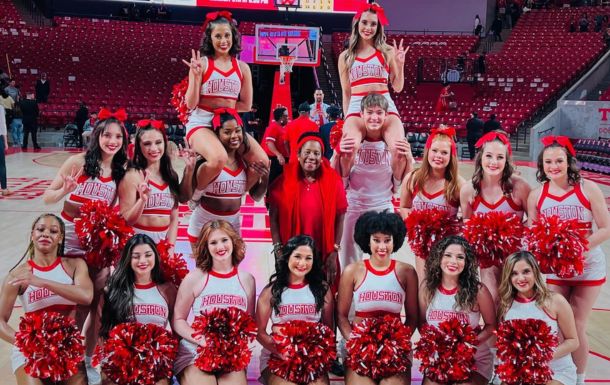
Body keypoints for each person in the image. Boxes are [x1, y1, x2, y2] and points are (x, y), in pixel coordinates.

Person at [42, 109, 128, 384]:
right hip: (68, 241)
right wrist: (64, 190)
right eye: (107, 135)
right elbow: (47, 198)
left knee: (97, 304)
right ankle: (62, 356)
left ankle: (88, 359)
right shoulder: (77, 162)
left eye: (118, 136)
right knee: (72, 304)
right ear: (97, 136)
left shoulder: (119, 172)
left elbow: (116, 214)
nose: (112, 141)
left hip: (96, 246)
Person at [527, 137, 610, 385]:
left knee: (577, 321)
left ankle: (579, 378)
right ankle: (560, 373)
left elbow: (606, 228)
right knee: (558, 322)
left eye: (559, 161)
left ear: (569, 162)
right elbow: (533, 234)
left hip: (588, 266)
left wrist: (577, 247)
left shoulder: (588, 189)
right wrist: (544, 253)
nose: (554, 166)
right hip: (556, 269)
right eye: (548, 161)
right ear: (541, 165)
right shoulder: (536, 196)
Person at [0, 213, 93, 385]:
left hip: (67, 347)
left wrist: (41, 281)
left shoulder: (75, 265)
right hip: (31, 351)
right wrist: (27, 342)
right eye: (40, 229)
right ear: (32, 235)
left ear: (60, 238)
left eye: (53, 231)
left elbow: (86, 296)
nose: (45, 234)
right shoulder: (17, 275)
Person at [181, 11, 268, 187]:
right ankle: (196, 194)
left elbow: (246, 105)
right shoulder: (202, 64)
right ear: (210, 39)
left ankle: (239, 193)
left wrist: (223, 110)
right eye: (218, 36)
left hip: (228, 124)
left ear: (233, 37)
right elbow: (190, 104)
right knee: (218, 159)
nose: (223, 41)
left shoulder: (242, 67)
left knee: (262, 161)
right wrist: (196, 76)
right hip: (202, 122)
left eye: (227, 35)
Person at [337, 210, 418, 385]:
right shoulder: (352, 271)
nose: (382, 246)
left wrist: (398, 343)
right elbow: (342, 316)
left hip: (395, 349)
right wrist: (354, 341)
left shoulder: (407, 271)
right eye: (376, 240)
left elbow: (412, 317)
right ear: (367, 240)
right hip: (359, 348)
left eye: (387, 240)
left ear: (395, 240)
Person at [335, 93, 413, 270]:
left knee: (382, 261)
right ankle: (350, 296)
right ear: (361, 114)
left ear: (386, 116)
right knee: (349, 260)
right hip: (353, 206)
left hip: (382, 206)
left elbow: (402, 183)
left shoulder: (395, 143)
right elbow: (340, 182)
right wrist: (340, 155)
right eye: (369, 112)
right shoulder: (350, 141)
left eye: (379, 112)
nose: (374, 117)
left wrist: (407, 157)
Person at [173, 220, 256, 385]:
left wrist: (236, 347)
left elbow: (249, 323)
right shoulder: (194, 278)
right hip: (196, 351)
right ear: (206, 246)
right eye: (213, 242)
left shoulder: (247, 280)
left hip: (230, 355)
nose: (220, 247)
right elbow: (178, 320)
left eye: (224, 240)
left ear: (233, 241)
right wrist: (202, 340)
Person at [337, 3, 408, 175]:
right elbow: (346, 93)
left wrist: (400, 64)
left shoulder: (388, 51)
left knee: (399, 151)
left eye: (373, 24)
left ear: (378, 27)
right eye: (364, 22)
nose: (368, 28)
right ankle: (345, 185)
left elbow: (397, 87)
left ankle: (395, 187)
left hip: (384, 104)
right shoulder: (345, 56)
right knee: (347, 150)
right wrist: (347, 120)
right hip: (357, 106)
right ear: (357, 23)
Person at [269, 132, 347, 288]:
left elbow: (341, 216)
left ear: (322, 157)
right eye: (307, 152)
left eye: (316, 153)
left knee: (324, 299)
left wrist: (334, 251)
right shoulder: (283, 180)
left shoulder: (333, 180)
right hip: (291, 253)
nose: (312, 157)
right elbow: (274, 217)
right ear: (298, 154)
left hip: (323, 252)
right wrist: (278, 248)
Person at [460, 131, 530, 304]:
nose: (493, 162)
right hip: (487, 258)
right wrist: (484, 238)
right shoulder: (469, 189)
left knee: (516, 303)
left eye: (499, 157)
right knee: (492, 299)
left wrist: (510, 235)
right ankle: (493, 330)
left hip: (516, 256)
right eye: (489, 156)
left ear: (507, 160)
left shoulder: (519, 186)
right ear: (480, 157)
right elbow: (467, 223)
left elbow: (534, 220)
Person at [99, 234, 177, 385]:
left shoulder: (167, 289)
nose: (142, 261)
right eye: (136, 256)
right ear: (128, 260)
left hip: (156, 361)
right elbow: (105, 331)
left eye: (148, 255)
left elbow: (176, 330)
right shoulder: (113, 290)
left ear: (155, 256)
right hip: (122, 360)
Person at [256, 235, 334, 385]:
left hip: (311, 358)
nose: (302, 263)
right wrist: (281, 351)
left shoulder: (322, 289)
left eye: (308, 258)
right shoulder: (271, 291)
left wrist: (316, 355)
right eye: (297, 256)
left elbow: (329, 329)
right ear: (287, 257)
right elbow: (259, 332)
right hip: (277, 356)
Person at [187, 109, 269, 250]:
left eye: (238, 130)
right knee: (204, 270)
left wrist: (265, 177)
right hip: (204, 225)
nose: (234, 136)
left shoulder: (246, 163)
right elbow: (190, 197)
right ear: (217, 134)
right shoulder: (209, 162)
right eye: (227, 132)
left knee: (231, 269)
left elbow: (256, 196)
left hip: (233, 225)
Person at [419, 235, 495, 385]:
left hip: (473, 358)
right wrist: (438, 347)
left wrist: (465, 346)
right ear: (439, 258)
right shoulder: (427, 287)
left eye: (460, 257)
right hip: (440, 357)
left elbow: (491, 326)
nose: (453, 262)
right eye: (448, 255)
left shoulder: (478, 290)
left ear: (466, 263)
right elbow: (422, 323)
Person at [497, 251, 579, 385]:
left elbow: (573, 341)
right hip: (521, 370)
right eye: (514, 273)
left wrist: (540, 357)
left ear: (535, 272)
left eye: (526, 272)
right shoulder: (506, 305)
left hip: (556, 370)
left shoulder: (554, 300)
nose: (521, 278)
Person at [400, 126, 464, 280]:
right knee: (424, 283)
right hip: (422, 245)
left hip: (447, 248)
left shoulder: (458, 184)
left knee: (444, 286)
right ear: (427, 151)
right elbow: (404, 206)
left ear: (451, 156)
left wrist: (454, 231)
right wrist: (417, 226)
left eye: (444, 153)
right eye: (434, 151)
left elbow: (468, 218)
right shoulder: (413, 178)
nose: (438, 156)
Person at [119, 119, 195, 246]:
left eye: (158, 142)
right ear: (139, 146)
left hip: (163, 245)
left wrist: (170, 249)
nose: (154, 148)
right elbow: (126, 220)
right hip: (137, 245)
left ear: (165, 143)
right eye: (147, 144)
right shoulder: (133, 175)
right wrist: (142, 201)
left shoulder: (171, 175)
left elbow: (174, 218)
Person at [262, 106, 289, 187]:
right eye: (286, 116)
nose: (288, 118)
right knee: (273, 182)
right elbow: (269, 143)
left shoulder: (280, 127)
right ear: (281, 117)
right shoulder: (274, 127)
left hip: (279, 160)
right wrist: (279, 155)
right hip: (274, 160)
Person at [0, 105, 12, 196]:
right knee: (1, 165)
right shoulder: (0, 107)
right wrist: (5, 141)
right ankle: (4, 188)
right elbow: (3, 125)